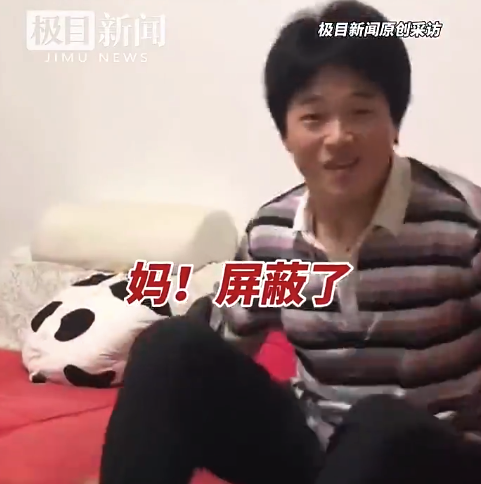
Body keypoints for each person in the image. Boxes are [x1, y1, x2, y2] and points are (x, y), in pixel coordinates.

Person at [97, 1, 481, 483]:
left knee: (379, 423)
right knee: (170, 348)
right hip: (318, 452)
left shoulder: (462, 222)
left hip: (429, 460)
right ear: (286, 133)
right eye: (314, 117)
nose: (338, 137)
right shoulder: (271, 233)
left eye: (361, 111)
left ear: (395, 122)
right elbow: (220, 346)